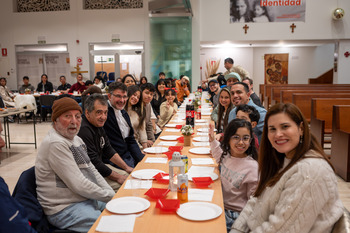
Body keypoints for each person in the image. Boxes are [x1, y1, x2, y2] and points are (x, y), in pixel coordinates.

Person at [230, 103, 344, 233]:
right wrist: (237, 229)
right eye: (272, 129)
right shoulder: (281, 159)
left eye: (285, 127)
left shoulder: (310, 170)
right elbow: (256, 200)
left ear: (301, 128)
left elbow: (281, 229)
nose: (278, 134)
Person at [35, 97, 114, 232]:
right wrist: (109, 196)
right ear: (55, 120)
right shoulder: (56, 143)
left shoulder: (76, 139)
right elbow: (79, 184)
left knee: (121, 211)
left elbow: (92, 170)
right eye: (67, 116)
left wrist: (111, 193)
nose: (74, 121)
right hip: (64, 207)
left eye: (77, 116)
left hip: (83, 198)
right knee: (108, 227)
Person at [209, 119, 258, 232]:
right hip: (220, 203)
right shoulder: (228, 156)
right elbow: (218, 155)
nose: (241, 142)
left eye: (245, 138)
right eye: (236, 137)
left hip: (235, 214)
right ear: (228, 139)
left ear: (250, 141)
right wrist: (212, 139)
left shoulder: (252, 167)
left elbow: (254, 201)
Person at [78, 94, 132, 191]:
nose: (103, 117)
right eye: (99, 112)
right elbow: (93, 162)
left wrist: (127, 167)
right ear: (87, 112)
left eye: (105, 112)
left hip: (99, 167)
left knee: (130, 175)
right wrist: (118, 177)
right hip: (88, 173)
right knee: (126, 185)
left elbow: (108, 149)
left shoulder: (97, 124)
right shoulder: (84, 130)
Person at [103, 82, 144, 168]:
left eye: (124, 97)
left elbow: (130, 140)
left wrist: (142, 160)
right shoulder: (103, 112)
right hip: (113, 162)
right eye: (118, 96)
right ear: (109, 96)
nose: (122, 100)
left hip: (128, 157)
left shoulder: (124, 113)